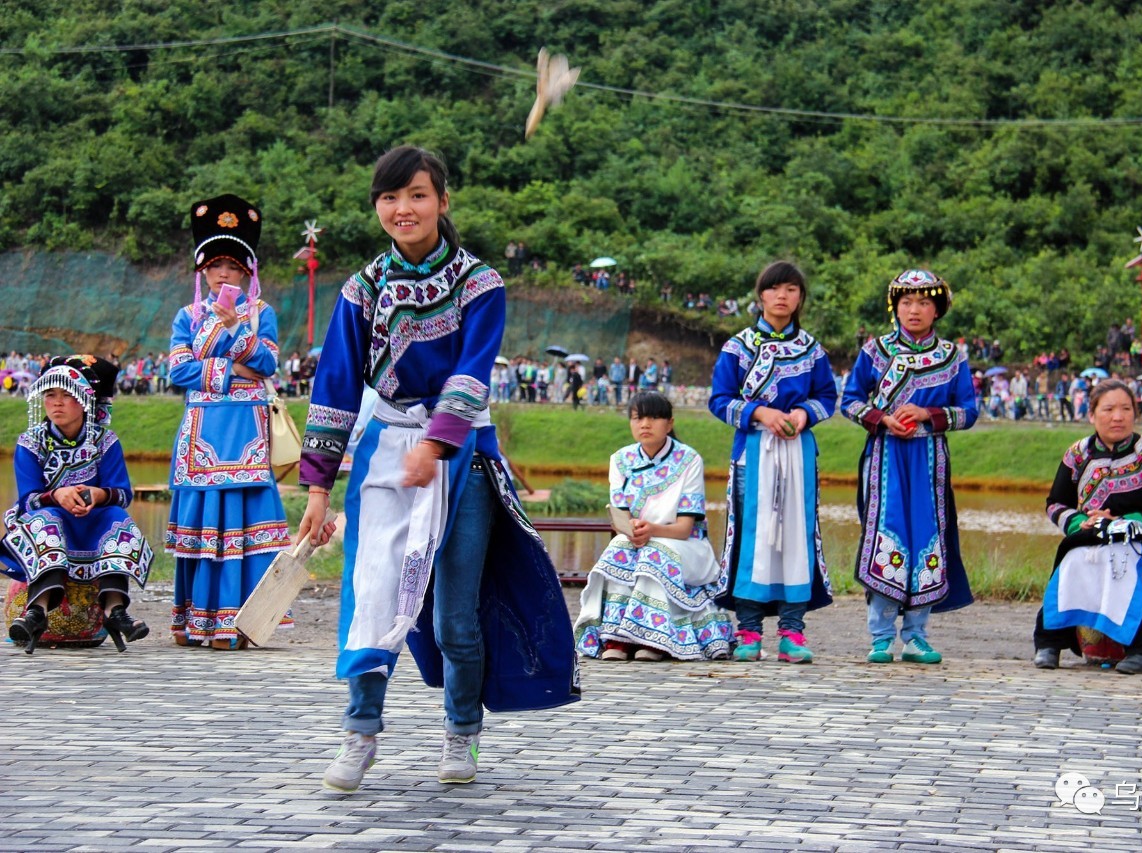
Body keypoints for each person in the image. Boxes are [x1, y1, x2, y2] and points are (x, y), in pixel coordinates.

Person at [295, 146, 578, 793]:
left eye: (417, 195)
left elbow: (473, 371)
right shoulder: (362, 289)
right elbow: (336, 384)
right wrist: (317, 487)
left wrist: (438, 442)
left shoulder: (480, 285)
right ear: (378, 206)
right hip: (386, 453)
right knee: (371, 597)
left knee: (455, 613)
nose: (404, 209)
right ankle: (360, 733)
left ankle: (461, 731)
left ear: (442, 202)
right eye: (391, 197)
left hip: (463, 458)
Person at [165, 195, 291, 650]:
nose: (224, 273)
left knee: (242, 521)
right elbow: (176, 371)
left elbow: (269, 363)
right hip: (202, 435)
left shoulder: (263, 314)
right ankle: (198, 622)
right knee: (206, 526)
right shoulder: (187, 316)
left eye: (233, 266)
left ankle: (240, 622)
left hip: (247, 433)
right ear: (203, 272)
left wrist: (234, 330)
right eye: (216, 265)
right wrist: (235, 370)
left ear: (246, 273)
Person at [843, 270, 977, 664]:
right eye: (906, 302)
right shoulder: (875, 351)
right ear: (895, 308)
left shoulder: (953, 356)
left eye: (922, 303)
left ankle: (917, 635)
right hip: (884, 456)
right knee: (886, 536)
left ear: (937, 310)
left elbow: (968, 412)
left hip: (929, 459)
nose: (913, 310)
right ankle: (881, 635)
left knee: (927, 541)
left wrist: (926, 413)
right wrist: (883, 419)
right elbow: (850, 401)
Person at [709, 261, 837, 664]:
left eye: (792, 289)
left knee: (795, 540)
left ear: (800, 298)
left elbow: (827, 398)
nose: (783, 296)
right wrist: (760, 414)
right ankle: (748, 631)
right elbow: (719, 400)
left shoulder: (812, 350)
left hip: (798, 455)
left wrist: (802, 415)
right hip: (753, 453)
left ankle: (792, 633)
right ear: (761, 295)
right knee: (753, 537)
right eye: (775, 288)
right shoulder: (737, 347)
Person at [2, 356, 153, 653]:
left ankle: (115, 610)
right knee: (45, 520)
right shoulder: (30, 442)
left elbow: (122, 494)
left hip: (92, 519)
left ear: (84, 400)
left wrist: (97, 496)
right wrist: (57, 495)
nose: (57, 403)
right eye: (50, 396)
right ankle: (37, 611)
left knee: (116, 518)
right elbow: (29, 498)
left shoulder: (104, 440)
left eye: (67, 396)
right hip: (48, 519)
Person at [1032, 379, 1142, 674]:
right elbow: (1055, 504)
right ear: (1091, 414)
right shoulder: (1077, 454)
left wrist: (1124, 524)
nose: (1118, 416)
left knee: (1117, 560)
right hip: (1092, 538)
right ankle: (1049, 640)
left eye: (1126, 409)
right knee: (1073, 560)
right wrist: (1080, 521)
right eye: (1109, 409)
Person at [575, 392, 732, 661]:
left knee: (653, 554)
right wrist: (631, 531)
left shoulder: (688, 460)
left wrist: (651, 531)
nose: (645, 424)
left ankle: (656, 641)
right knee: (618, 549)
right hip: (639, 538)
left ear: (669, 424)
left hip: (686, 544)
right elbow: (620, 516)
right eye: (638, 418)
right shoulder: (621, 460)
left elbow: (684, 528)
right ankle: (617, 638)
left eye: (653, 417)